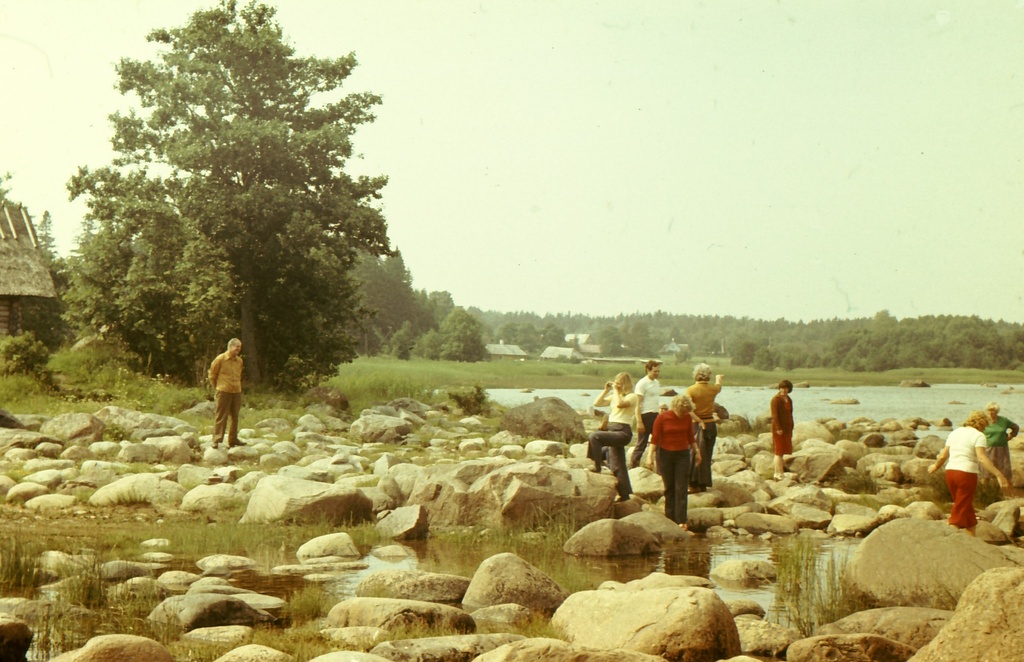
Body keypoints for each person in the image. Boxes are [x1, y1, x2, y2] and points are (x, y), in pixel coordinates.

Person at [928, 410, 1011, 536]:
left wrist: (935, 466)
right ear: (983, 424)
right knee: (960, 508)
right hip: (966, 474)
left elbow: (943, 456)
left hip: (950, 472)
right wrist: (999, 475)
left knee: (964, 506)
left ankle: (972, 535)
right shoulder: (978, 436)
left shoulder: (955, 432)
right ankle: (951, 536)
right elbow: (982, 459)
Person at [644, 394, 704, 529]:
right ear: (675, 408)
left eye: (686, 412)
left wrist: (697, 451)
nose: (683, 415)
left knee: (681, 487)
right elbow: (655, 439)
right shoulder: (662, 418)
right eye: (681, 412)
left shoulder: (687, 417)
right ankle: (670, 519)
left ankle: (681, 520)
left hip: (682, 454)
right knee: (669, 487)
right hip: (665, 454)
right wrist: (649, 456)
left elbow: (690, 436)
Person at [588, 371, 638, 502]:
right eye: (617, 383)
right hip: (613, 428)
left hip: (622, 431)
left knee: (595, 437)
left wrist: (615, 391)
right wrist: (606, 391)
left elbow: (621, 404)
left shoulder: (633, 396)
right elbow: (597, 403)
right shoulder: (616, 395)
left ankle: (597, 465)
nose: (618, 385)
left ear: (625, 384)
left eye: (620, 383)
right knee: (618, 464)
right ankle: (625, 494)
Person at [686, 363, 724, 493]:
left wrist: (697, 420)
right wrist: (719, 379)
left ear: (696, 375)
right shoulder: (712, 389)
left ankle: (693, 483)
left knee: (695, 454)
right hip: (711, 425)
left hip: (697, 425)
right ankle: (703, 483)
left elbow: (688, 409)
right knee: (707, 455)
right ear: (708, 376)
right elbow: (719, 387)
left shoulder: (691, 390)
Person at [209, 338, 244, 449]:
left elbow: (239, 375)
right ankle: (216, 440)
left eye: (239, 347)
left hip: (236, 391)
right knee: (221, 416)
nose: (238, 349)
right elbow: (212, 375)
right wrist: (218, 388)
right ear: (230, 346)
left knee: (235, 416)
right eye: (236, 346)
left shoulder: (239, 361)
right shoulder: (220, 359)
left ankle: (233, 439)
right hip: (223, 391)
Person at [629, 359, 662, 469]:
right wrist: (639, 421)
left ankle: (659, 465)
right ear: (648, 370)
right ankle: (634, 464)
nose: (657, 373)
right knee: (642, 442)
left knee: (659, 440)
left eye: (658, 371)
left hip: (655, 414)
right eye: (654, 371)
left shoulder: (656, 383)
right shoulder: (642, 383)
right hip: (645, 414)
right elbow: (637, 404)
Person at [981, 402, 1018, 484]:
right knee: (986, 473)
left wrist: (1011, 436)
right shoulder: (984, 421)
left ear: (997, 411)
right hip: (988, 449)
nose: (990, 412)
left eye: (992, 410)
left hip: (1002, 449)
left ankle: (1007, 493)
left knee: (1004, 472)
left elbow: (1015, 427)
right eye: (989, 410)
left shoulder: (1003, 420)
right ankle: (984, 493)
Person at [770, 379, 794, 480]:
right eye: (782, 388)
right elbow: (774, 415)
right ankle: (777, 473)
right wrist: (778, 428)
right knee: (778, 451)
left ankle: (781, 472)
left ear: (789, 389)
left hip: (787, 428)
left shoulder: (789, 399)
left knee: (783, 451)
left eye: (785, 388)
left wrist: (791, 426)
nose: (783, 390)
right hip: (778, 429)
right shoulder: (776, 399)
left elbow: (790, 413)